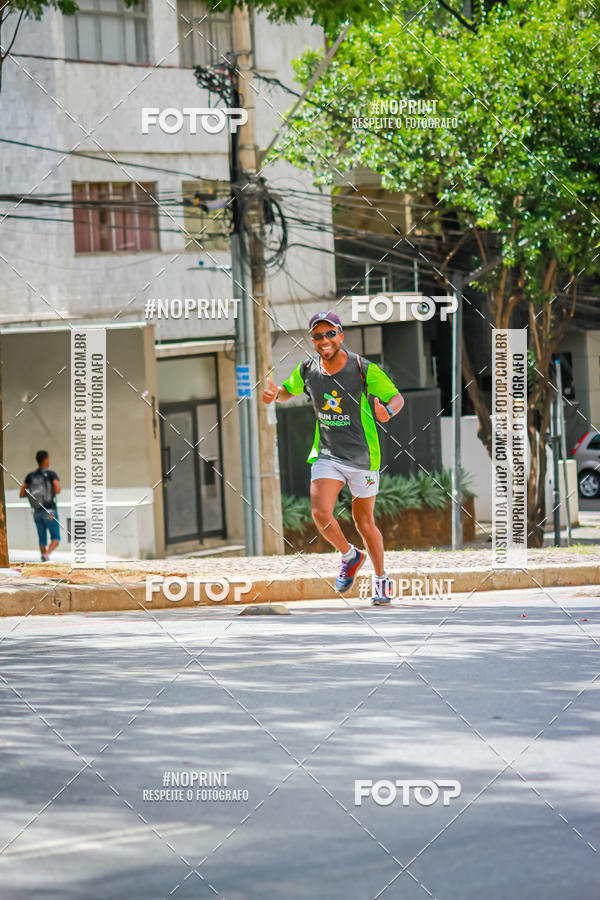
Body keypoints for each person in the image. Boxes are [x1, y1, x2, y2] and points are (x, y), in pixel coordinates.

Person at [262, 311, 404, 606]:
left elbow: (397, 398)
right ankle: (350, 555)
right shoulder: (307, 369)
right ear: (312, 340)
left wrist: (386, 412)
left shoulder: (363, 369)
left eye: (330, 334)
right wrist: (276, 394)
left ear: (340, 336)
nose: (324, 340)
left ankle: (380, 578)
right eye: (317, 336)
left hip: (363, 456)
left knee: (364, 522)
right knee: (320, 512)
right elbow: (289, 391)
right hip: (327, 453)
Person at [20, 450, 61, 562]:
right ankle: (46, 554)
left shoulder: (30, 476)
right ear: (46, 459)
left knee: (41, 537)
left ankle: (44, 558)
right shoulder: (51, 474)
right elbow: (57, 489)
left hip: (37, 511)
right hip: (50, 511)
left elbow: (22, 493)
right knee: (56, 537)